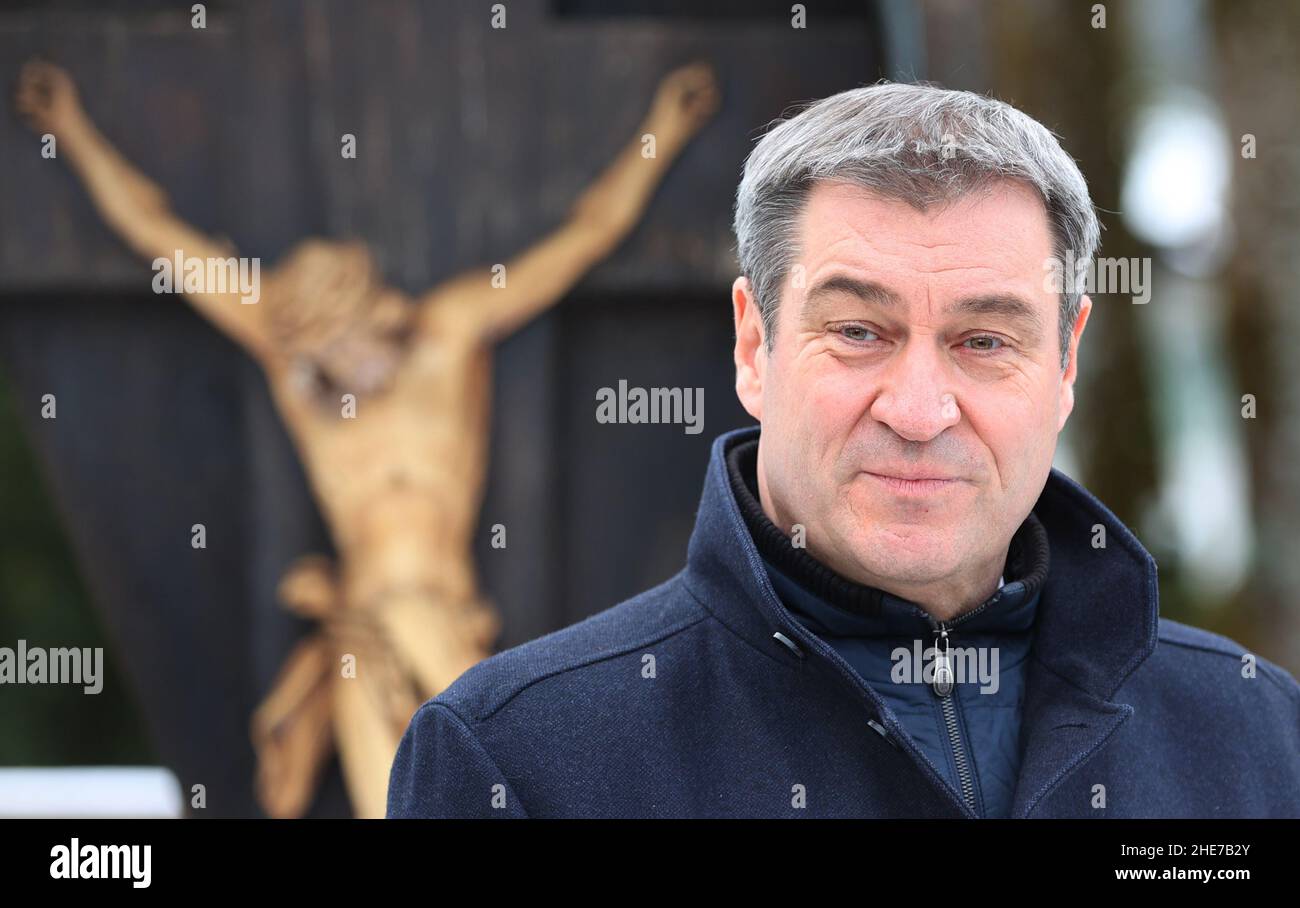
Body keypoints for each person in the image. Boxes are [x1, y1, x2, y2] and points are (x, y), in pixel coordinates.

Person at [387, 81, 1300, 818]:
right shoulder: (520, 759)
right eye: (860, 330)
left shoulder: (1256, 730)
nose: (917, 410)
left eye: (985, 341)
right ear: (754, 344)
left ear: (1065, 363)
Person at [13, 56, 720, 818]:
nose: (348, 360)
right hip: (360, 626)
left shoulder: (449, 338)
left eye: (356, 339)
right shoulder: (294, 364)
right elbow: (164, 241)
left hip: (444, 618)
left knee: (507, 789)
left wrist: (662, 129)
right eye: (330, 356)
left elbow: (587, 236)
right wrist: (73, 132)